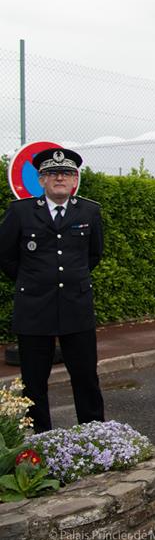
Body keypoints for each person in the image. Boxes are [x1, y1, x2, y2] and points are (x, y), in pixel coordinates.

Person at [0, 147, 105, 433]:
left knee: (85, 377)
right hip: (34, 308)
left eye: (67, 173)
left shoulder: (89, 211)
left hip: (76, 306)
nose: (60, 177)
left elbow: (94, 255)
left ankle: (94, 437)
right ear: (41, 180)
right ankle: (41, 441)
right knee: (34, 382)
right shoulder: (20, 212)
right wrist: (32, 281)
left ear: (75, 181)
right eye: (52, 173)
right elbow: (6, 256)